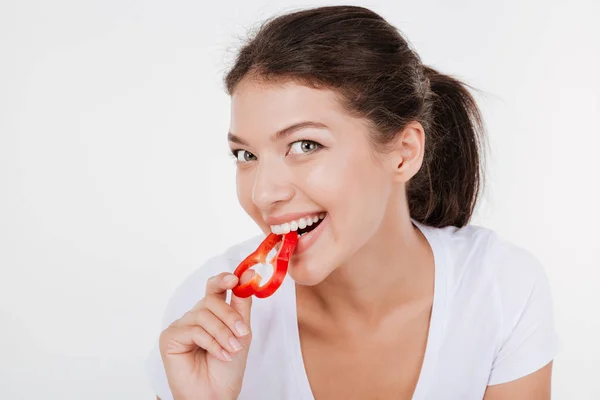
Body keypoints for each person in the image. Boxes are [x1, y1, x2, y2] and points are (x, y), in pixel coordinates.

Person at [145, 5, 559, 399]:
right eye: (246, 156)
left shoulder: (500, 289)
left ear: (404, 152)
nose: (263, 194)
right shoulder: (208, 324)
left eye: (304, 145)